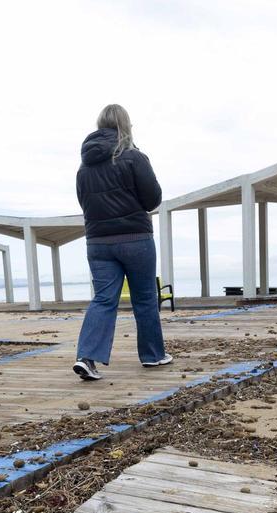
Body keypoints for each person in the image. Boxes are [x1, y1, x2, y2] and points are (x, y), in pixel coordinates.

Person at [73, 104, 172, 381]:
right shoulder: (134, 157)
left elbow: (84, 203)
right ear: (125, 126)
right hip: (135, 239)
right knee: (144, 298)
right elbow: (153, 199)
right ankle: (153, 356)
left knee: (103, 299)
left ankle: (86, 358)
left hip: (97, 243)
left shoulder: (84, 167)